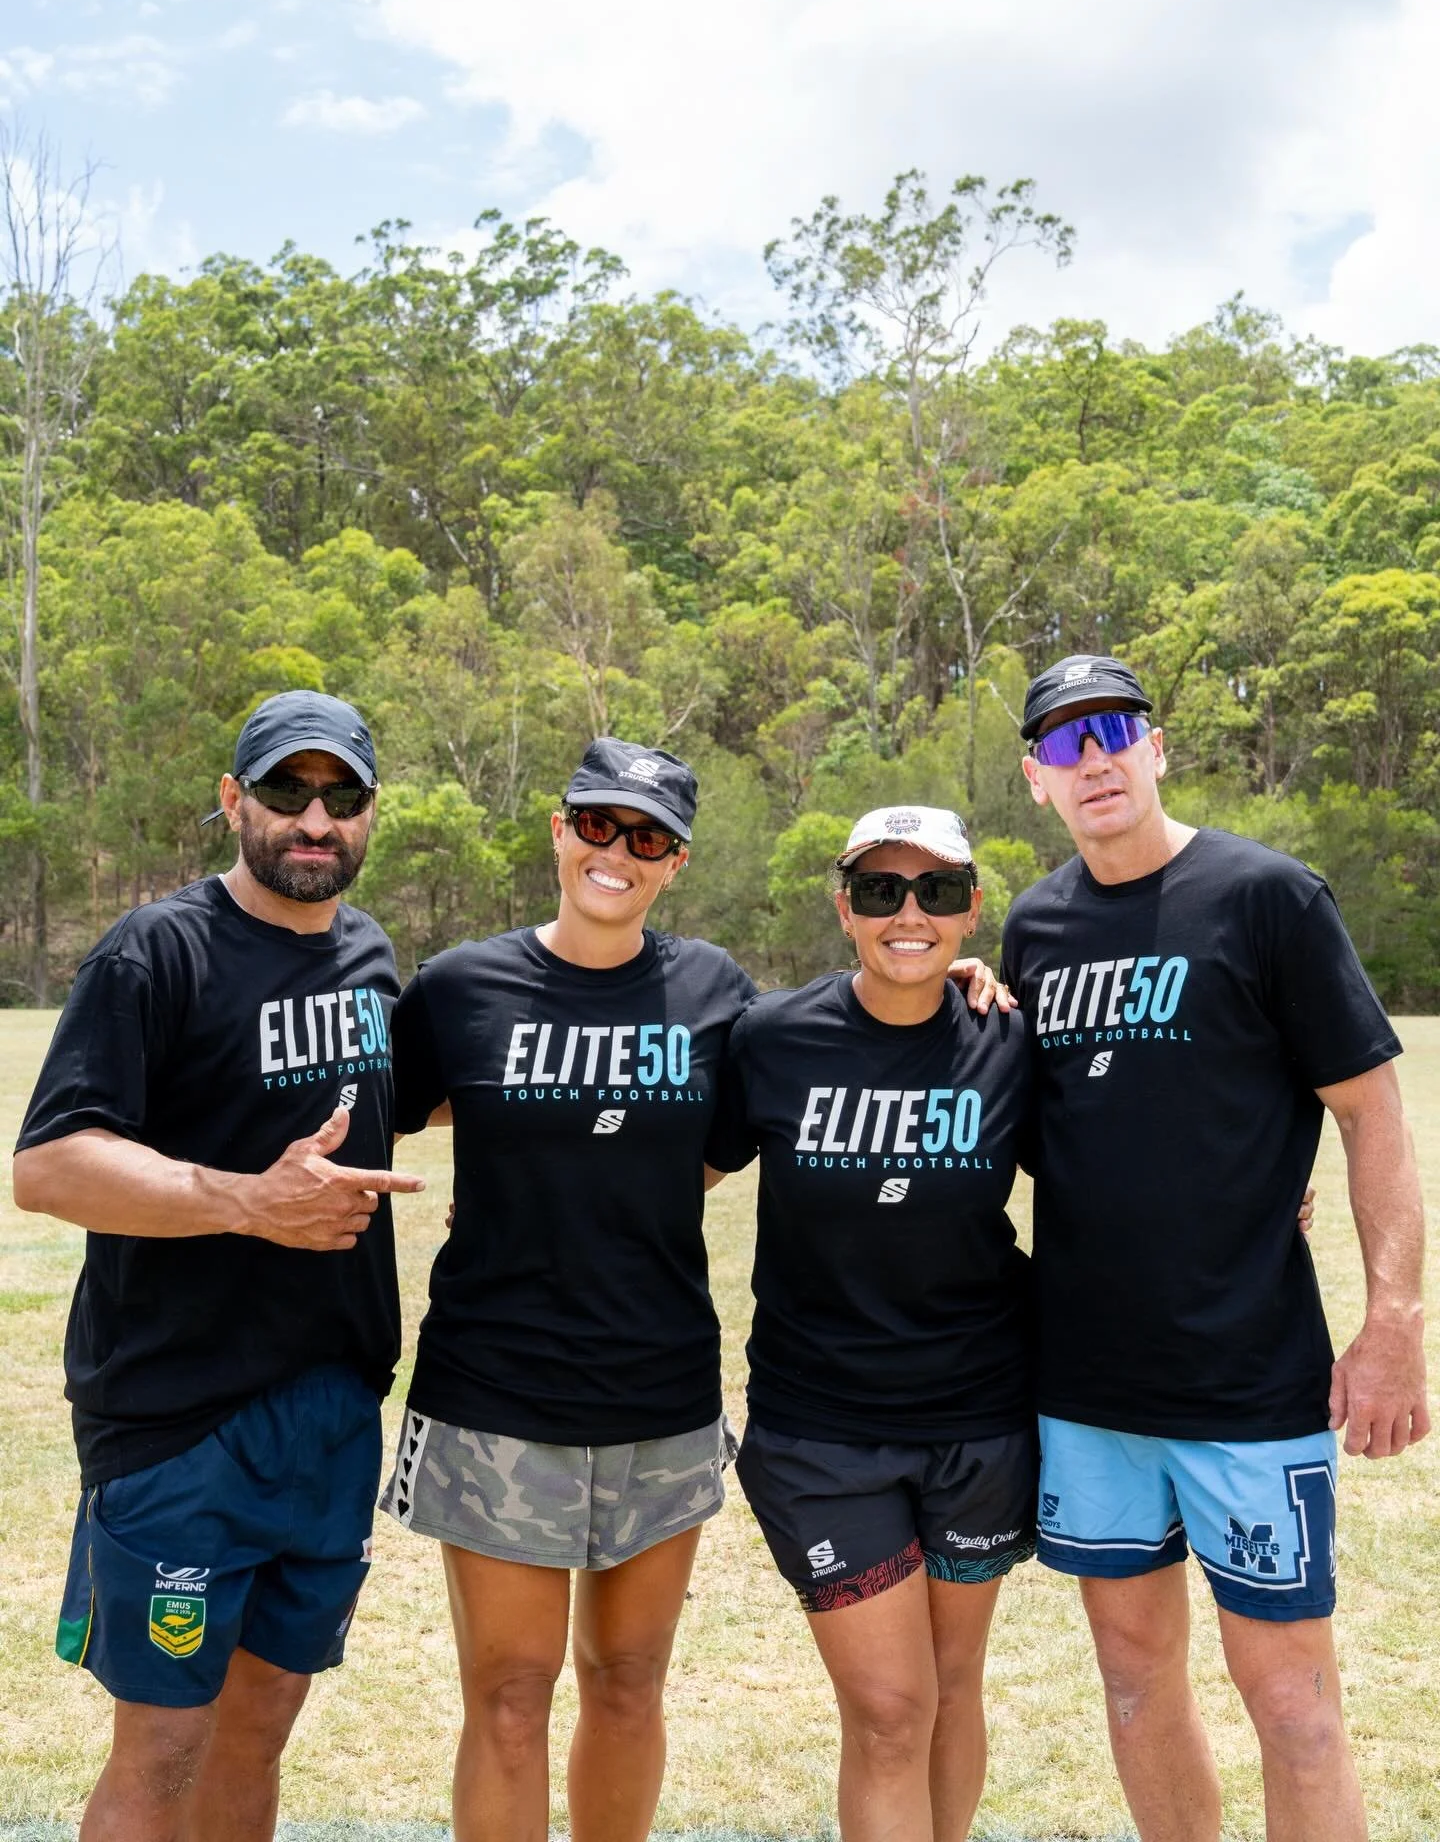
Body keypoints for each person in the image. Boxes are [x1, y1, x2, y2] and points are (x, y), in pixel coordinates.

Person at [1001, 653, 1430, 1842]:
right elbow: (1058, 1129)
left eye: (1113, 731)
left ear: (1157, 746)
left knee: (1292, 1704)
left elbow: (1370, 1113)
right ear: (1036, 780)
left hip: (1251, 1379)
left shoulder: (1267, 896)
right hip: (1089, 1388)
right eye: (1062, 744)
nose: (1093, 761)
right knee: (1136, 1687)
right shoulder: (1034, 925)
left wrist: (1394, 1322)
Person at [11, 691, 424, 1842]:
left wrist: (933, 990)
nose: (315, 820)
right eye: (287, 792)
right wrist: (246, 1203)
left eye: (340, 798)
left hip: (333, 1409)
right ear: (234, 800)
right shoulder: (157, 951)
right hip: (179, 1415)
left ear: (368, 814)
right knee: (165, 1746)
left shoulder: (371, 955)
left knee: (260, 1727)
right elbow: (48, 1167)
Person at [380, 738, 756, 1842]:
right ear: (558, 829)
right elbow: (384, 1109)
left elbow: (737, 1127)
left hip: (660, 1389)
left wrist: (972, 977)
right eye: (597, 824)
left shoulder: (714, 990)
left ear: (674, 862)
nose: (617, 853)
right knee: (507, 1693)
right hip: (499, 1389)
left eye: (648, 839)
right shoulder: (459, 988)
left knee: (630, 1681)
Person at [706, 806, 1036, 1842]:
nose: (910, 913)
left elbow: (1125, 1158)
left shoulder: (1010, 1039)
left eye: (936, 893)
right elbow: (671, 1176)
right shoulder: (771, 1039)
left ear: (970, 910)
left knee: (951, 1686)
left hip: (982, 1421)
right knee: (891, 1711)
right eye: (883, 891)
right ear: (844, 907)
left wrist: (1271, 1187)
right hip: (822, 1436)